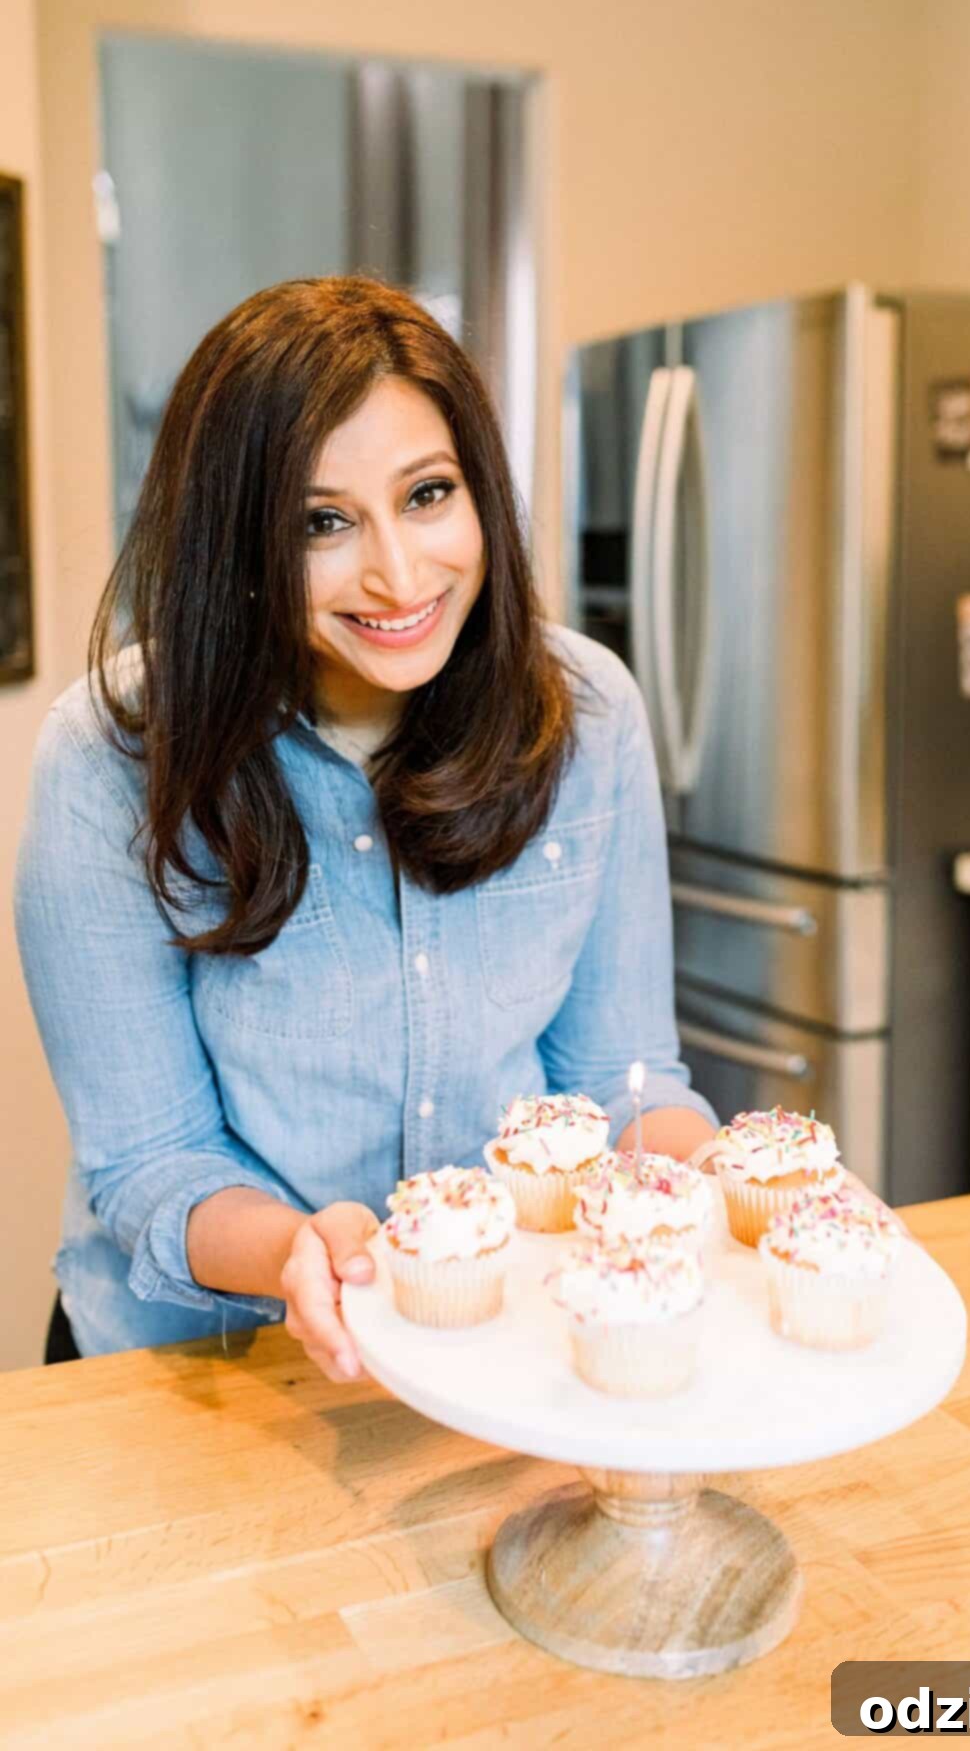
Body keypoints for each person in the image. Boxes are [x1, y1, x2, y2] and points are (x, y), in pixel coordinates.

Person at [15, 276, 716, 1380]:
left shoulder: (587, 716)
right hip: (201, 1373)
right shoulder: (110, 759)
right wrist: (302, 1252)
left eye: (429, 494)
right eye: (322, 522)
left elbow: (617, 1078)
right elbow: (152, 1161)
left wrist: (749, 1185)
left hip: (493, 1355)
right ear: (235, 546)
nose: (399, 572)